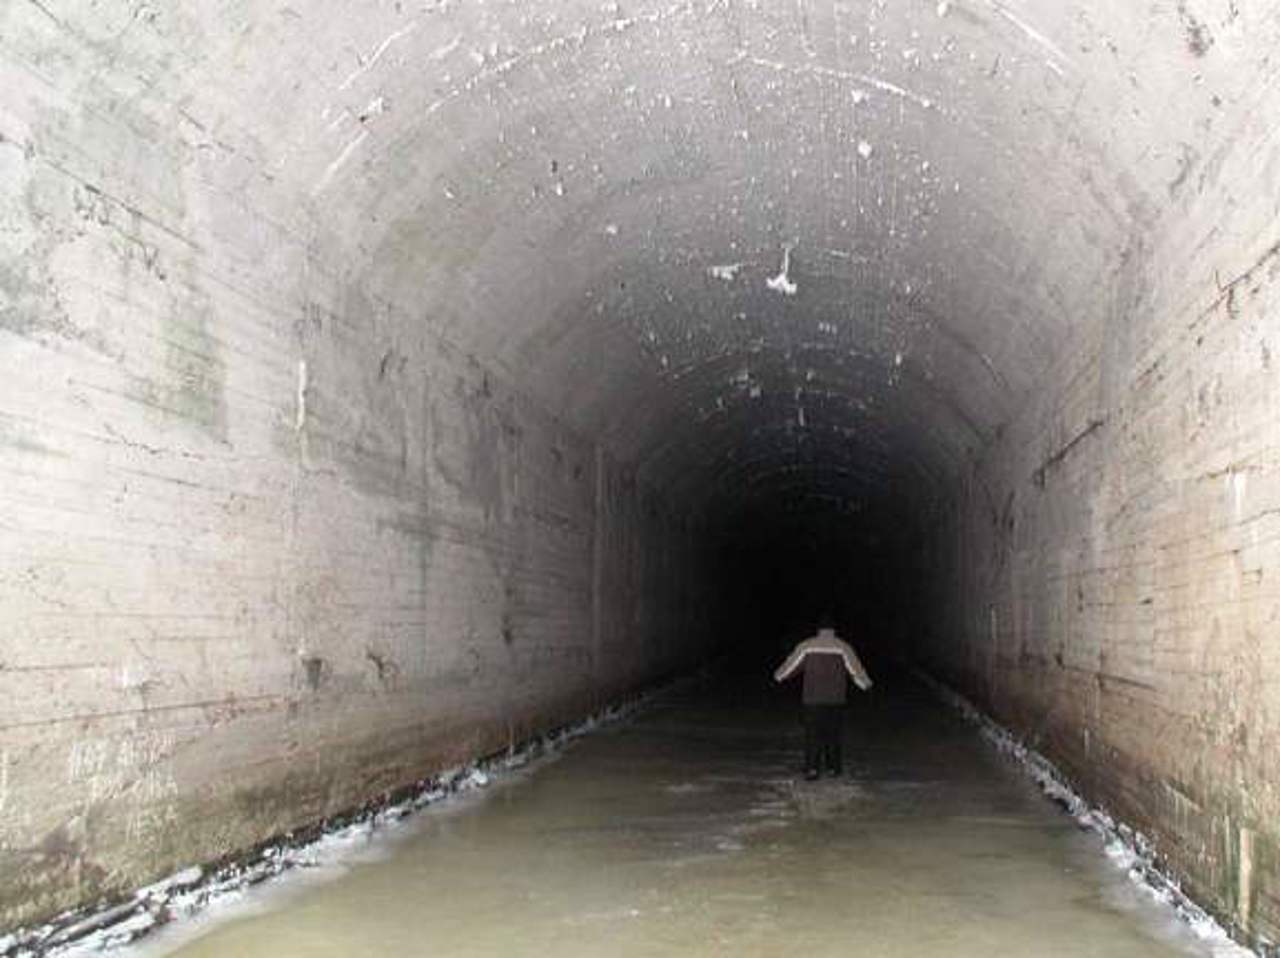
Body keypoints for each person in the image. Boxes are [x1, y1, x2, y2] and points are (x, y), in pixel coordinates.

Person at [773, 622, 872, 780]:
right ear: (834, 630)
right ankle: (833, 768)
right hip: (836, 699)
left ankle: (812, 769)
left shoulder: (807, 646)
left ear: (818, 630)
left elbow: (791, 666)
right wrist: (865, 685)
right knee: (833, 734)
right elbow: (855, 670)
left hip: (812, 698)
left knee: (813, 734)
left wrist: (779, 676)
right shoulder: (843, 647)